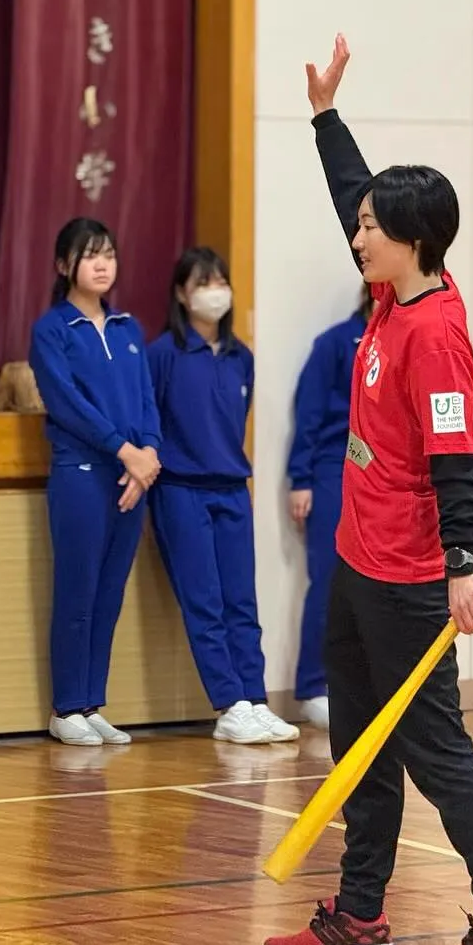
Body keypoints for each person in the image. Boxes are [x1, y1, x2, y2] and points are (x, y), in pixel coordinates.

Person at [266, 35, 473, 945]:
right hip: (357, 561)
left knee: (438, 754)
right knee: (361, 752)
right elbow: (351, 191)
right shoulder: (392, 293)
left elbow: (456, 460)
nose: (357, 235)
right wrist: (325, 116)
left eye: (372, 229)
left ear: (414, 241)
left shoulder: (436, 334)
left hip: (410, 579)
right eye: (360, 227)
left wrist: (461, 566)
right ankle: (360, 913)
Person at [147, 247, 298, 746]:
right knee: (205, 602)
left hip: (232, 490)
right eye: (202, 281)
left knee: (242, 602)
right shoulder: (162, 354)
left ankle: (254, 699)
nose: (214, 290)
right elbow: (150, 421)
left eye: (220, 280)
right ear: (181, 293)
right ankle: (229, 703)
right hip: (181, 491)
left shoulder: (241, 358)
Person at [28, 217, 161, 747]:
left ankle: (91, 701)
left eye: (108, 253)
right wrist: (125, 450)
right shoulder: (52, 329)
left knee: (109, 594)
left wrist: (148, 456)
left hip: (132, 479)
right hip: (81, 476)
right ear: (64, 266)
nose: (102, 264)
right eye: (89, 255)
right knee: (77, 591)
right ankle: (65, 708)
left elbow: (148, 400)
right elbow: (68, 405)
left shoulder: (129, 329)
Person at [287, 283, 372, 729]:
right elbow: (310, 413)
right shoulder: (338, 342)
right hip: (333, 470)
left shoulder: (408, 339)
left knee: (377, 587)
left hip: (384, 477)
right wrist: (301, 478)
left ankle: (365, 687)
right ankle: (312, 685)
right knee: (329, 581)